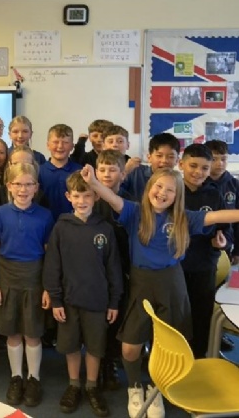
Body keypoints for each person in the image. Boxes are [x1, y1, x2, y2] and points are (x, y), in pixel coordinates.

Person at [81, 163, 239, 418]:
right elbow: (112, 199)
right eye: (158, 186)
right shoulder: (135, 212)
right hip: (141, 283)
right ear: (149, 188)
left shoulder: (184, 218)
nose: (162, 193)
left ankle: (157, 390)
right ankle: (134, 387)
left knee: (167, 346)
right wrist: (93, 183)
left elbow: (219, 216)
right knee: (130, 346)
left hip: (172, 283)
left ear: (177, 196)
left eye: (170, 190)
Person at [44, 172, 122, 417]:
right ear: (68, 197)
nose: (82, 201)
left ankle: (91, 386)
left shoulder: (105, 229)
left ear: (96, 196)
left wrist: (114, 301)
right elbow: (52, 265)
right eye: (76, 196)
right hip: (68, 301)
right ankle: (74, 384)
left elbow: (113, 268)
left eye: (87, 196)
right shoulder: (61, 227)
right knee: (71, 346)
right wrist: (55, 299)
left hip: (98, 301)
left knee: (95, 347)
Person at [0, 163, 54, 408]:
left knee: (32, 332)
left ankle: (33, 378)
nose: (23, 189)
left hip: (35, 278)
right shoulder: (0, 213)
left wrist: (48, 287)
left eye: (28, 184)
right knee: (12, 330)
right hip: (7, 277)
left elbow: (50, 254)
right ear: (9, 186)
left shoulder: (45, 215)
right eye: (18, 184)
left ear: (36, 187)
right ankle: (16, 376)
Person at [179, 144, 230, 359]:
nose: (198, 172)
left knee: (202, 313)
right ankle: (175, 357)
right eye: (193, 166)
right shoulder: (171, 191)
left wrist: (223, 242)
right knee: (176, 315)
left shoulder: (214, 195)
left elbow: (224, 229)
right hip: (175, 266)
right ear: (181, 164)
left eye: (204, 168)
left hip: (204, 264)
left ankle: (199, 356)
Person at [94, 150, 132, 390]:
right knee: (96, 320)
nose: (107, 174)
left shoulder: (130, 202)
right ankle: (96, 364)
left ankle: (110, 362)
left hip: (122, 271)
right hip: (94, 272)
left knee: (116, 319)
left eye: (112, 169)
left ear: (123, 174)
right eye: (102, 169)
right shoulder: (89, 200)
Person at [204, 139, 239, 264]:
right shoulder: (198, 184)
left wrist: (237, 251)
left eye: (224, 159)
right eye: (214, 159)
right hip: (200, 247)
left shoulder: (235, 185)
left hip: (226, 246)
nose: (220, 163)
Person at [38, 124, 82, 221]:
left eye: (65, 142)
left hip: (73, 223)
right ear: (48, 145)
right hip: (45, 223)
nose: (60, 146)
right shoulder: (38, 172)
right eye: (55, 142)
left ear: (72, 146)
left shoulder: (80, 171)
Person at [121, 132, 180, 202]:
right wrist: (125, 171)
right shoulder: (135, 172)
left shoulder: (178, 182)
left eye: (170, 157)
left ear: (177, 160)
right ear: (149, 157)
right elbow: (115, 192)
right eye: (159, 156)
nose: (164, 161)